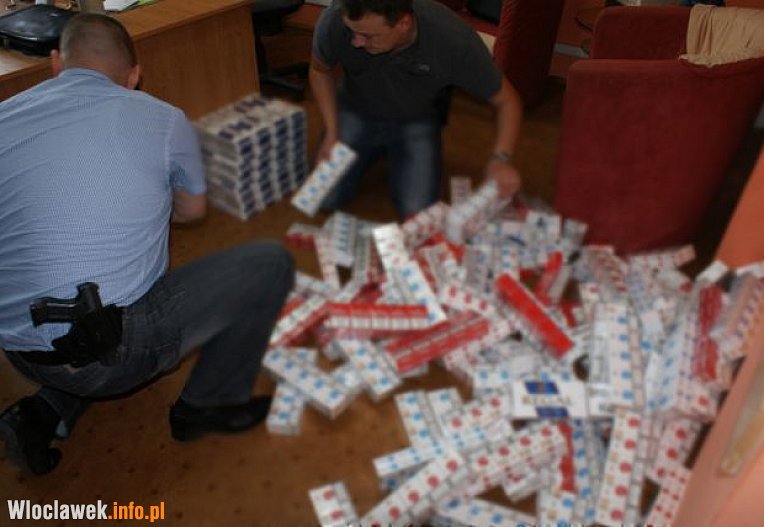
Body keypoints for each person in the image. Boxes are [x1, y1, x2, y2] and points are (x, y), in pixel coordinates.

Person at [0, 14, 294, 476]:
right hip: (113, 349)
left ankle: (43, 412)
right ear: (134, 76)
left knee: (86, 297)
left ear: (56, 63)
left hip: (19, 349)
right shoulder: (165, 118)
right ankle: (204, 407)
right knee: (270, 263)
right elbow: (192, 213)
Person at [310, 0, 523, 218]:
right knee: (322, 197)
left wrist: (500, 158)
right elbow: (319, 71)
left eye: (368, 36)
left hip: (415, 118)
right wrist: (332, 131)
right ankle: (375, 148)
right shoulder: (336, 18)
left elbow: (507, 101)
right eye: (352, 31)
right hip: (355, 108)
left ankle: (379, 150)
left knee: (418, 212)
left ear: (403, 24)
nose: (356, 42)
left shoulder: (453, 39)